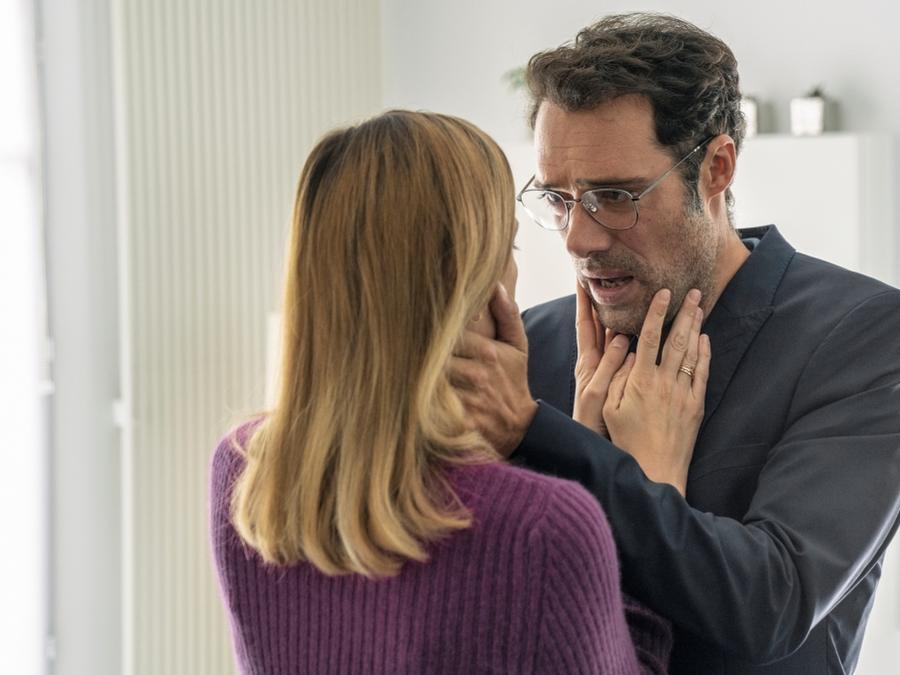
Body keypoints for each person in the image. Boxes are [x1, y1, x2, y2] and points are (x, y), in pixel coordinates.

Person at [449, 13, 900, 675]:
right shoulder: (531, 345)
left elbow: (769, 606)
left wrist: (552, 440)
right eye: (559, 199)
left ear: (717, 167)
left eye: (613, 196)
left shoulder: (860, 336)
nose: (576, 239)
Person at [208, 110, 702, 674]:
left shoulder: (244, 471)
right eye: (510, 250)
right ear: (478, 286)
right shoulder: (545, 529)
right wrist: (649, 488)